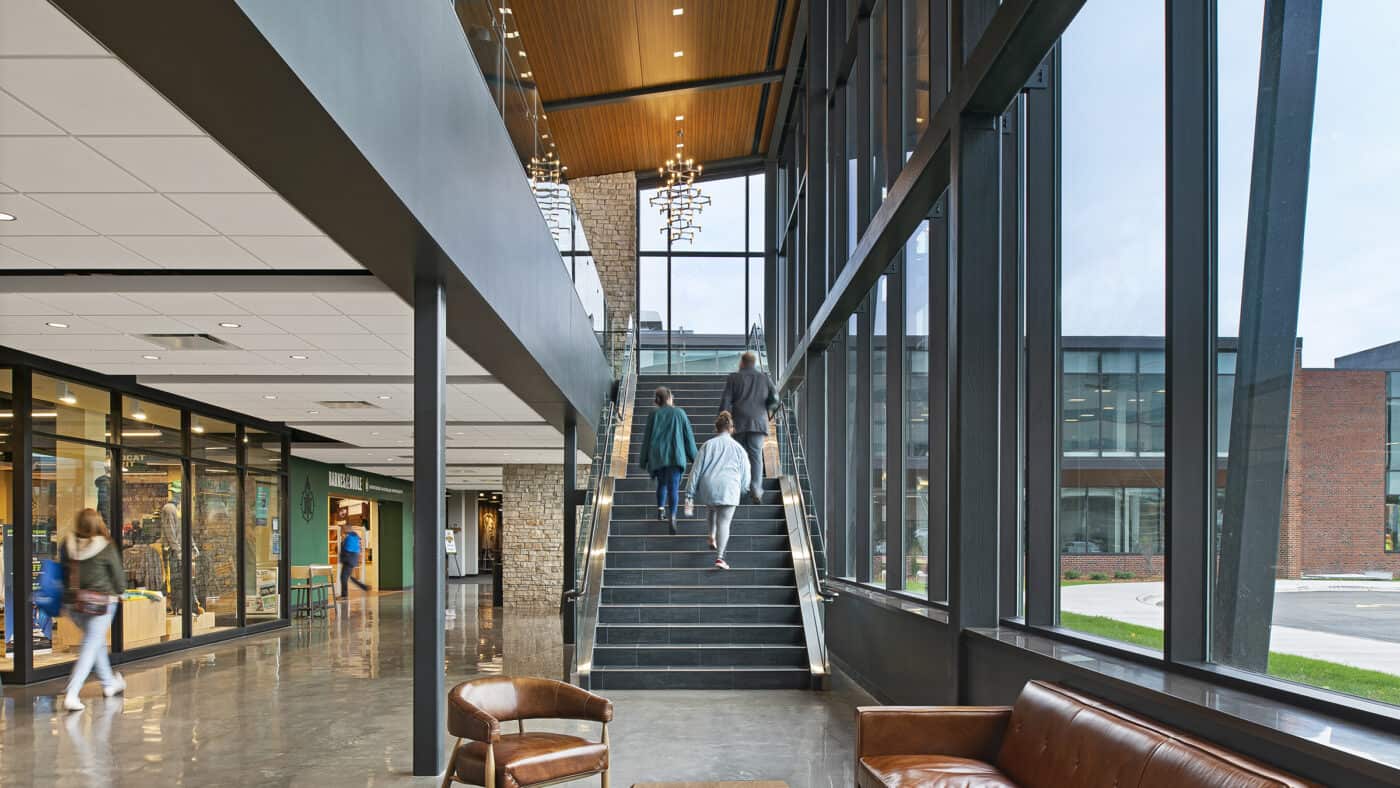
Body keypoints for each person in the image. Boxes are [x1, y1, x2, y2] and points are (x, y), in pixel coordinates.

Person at [60, 508, 127, 712]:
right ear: (98, 523)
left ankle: (109, 684)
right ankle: (72, 692)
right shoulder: (106, 546)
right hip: (101, 604)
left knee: (94, 641)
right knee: (90, 645)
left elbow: (63, 574)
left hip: (74, 604)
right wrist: (120, 592)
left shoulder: (67, 544)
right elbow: (118, 579)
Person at [685, 411, 751, 570]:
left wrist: (690, 492)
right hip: (729, 488)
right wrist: (743, 488)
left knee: (712, 508)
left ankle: (711, 535)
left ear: (717, 428)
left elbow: (696, 469)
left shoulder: (708, 445)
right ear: (731, 429)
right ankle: (720, 558)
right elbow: (746, 473)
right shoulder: (739, 449)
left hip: (709, 487)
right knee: (724, 522)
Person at [718, 351, 779, 503]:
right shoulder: (764, 378)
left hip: (738, 422)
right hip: (758, 423)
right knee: (756, 456)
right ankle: (756, 489)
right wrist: (769, 412)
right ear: (754, 363)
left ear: (742, 362)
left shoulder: (734, 378)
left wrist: (723, 418)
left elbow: (726, 400)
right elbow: (775, 398)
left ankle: (739, 488)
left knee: (738, 456)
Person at [638, 386, 698, 534]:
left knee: (662, 483)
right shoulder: (679, 413)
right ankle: (672, 515)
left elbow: (646, 438)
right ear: (670, 398)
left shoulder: (653, 414)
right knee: (674, 487)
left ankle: (660, 510)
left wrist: (643, 459)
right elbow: (688, 438)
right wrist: (695, 458)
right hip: (675, 456)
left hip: (658, 457)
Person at [339, 525, 372, 598]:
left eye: (343, 529)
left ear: (347, 529)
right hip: (352, 561)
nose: (342, 530)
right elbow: (355, 550)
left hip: (348, 561)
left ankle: (344, 595)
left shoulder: (349, 538)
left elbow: (347, 550)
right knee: (350, 577)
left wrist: (343, 559)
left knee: (343, 577)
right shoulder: (354, 537)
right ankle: (364, 587)